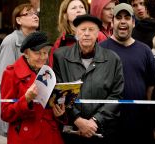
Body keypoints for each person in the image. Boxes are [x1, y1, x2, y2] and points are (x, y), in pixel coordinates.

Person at [53, 14, 124, 144]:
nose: (86, 33)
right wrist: (78, 120)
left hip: (101, 131)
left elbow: (116, 95)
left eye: (91, 30)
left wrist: (95, 120)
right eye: (82, 29)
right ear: (76, 32)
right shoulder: (60, 56)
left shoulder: (113, 59)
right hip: (70, 131)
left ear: (98, 33)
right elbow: (58, 93)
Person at [99, 3, 155, 143]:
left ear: (133, 22)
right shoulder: (100, 50)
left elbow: (151, 87)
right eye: (118, 17)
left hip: (139, 124)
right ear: (112, 22)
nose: (123, 21)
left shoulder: (145, 51)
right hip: (108, 124)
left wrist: (153, 121)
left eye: (127, 17)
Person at [0, 31, 65, 144]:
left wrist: (59, 113)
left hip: (50, 135)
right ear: (26, 53)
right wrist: (26, 99)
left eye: (45, 53)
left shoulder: (49, 72)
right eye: (38, 53)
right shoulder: (11, 73)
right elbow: (6, 114)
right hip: (26, 137)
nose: (43, 57)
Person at [0, 3, 39, 137]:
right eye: (29, 13)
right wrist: (23, 99)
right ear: (18, 20)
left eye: (36, 13)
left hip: (34, 107)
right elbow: (3, 81)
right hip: (16, 109)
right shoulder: (10, 41)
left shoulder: (39, 41)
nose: (35, 16)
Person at [48, 0, 88, 67]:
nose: (78, 10)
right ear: (65, 15)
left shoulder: (97, 36)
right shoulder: (61, 43)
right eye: (74, 8)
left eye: (81, 7)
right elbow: (53, 69)